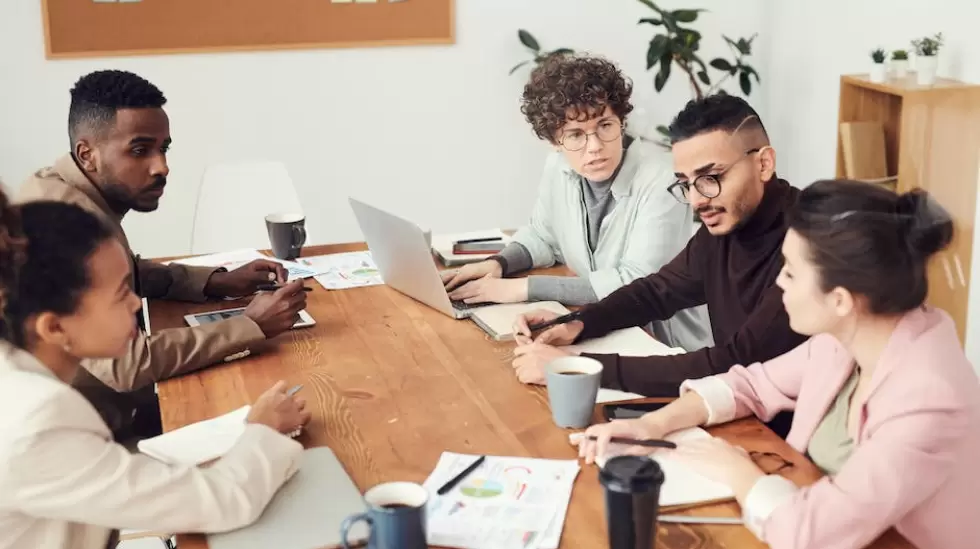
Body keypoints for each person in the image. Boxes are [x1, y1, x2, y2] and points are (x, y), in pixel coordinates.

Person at [577, 180, 980, 549]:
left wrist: (739, 473)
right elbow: (749, 384)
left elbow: (812, 533)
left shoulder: (929, 400)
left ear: (839, 300)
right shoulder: (849, 338)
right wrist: (653, 425)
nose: (779, 284)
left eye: (789, 272)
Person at [0, 188, 312, 549]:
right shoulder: (38, 419)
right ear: (54, 328)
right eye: (121, 294)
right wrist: (264, 431)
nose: (136, 302)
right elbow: (224, 500)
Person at [16, 70, 307, 441]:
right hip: (90, 438)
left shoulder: (66, 192)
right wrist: (250, 326)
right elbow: (126, 365)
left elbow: (116, 274)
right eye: (140, 150)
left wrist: (215, 281)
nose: (161, 167)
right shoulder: (61, 227)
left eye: (163, 149)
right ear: (87, 154)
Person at [511, 94, 807, 399]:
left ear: (764, 163)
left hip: (785, 434)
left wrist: (578, 367)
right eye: (686, 183)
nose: (697, 200)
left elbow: (736, 361)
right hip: (736, 406)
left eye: (711, 177)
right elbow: (657, 292)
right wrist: (578, 323)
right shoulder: (727, 224)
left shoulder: (809, 245)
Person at [442, 54, 711, 352]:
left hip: (664, 344)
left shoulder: (662, 179)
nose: (594, 146)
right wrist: (497, 264)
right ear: (554, 141)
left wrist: (520, 289)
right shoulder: (558, 167)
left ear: (621, 121)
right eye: (575, 135)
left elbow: (636, 282)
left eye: (605, 125)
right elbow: (543, 236)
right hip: (601, 326)